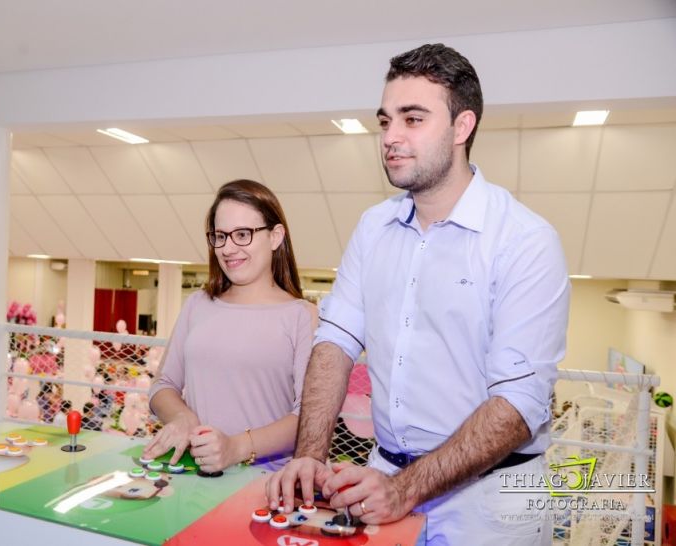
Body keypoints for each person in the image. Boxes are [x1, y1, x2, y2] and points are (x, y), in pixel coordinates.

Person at [265, 43, 570, 545]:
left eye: (412, 119)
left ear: (462, 127)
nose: (391, 137)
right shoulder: (373, 227)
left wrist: (405, 489)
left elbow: (517, 406)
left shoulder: (525, 241)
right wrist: (309, 455)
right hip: (380, 481)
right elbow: (335, 342)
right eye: (385, 121)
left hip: (488, 505)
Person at [145, 179, 316, 472]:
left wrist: (235, 447)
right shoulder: (197, 304)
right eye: (220, 236)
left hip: (265, 486)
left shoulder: (302, 317)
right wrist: (182, 417)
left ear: (275, 237)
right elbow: (163, 385)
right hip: (193, 476)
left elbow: (309, 420)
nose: (228, 248)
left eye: (242, 234)